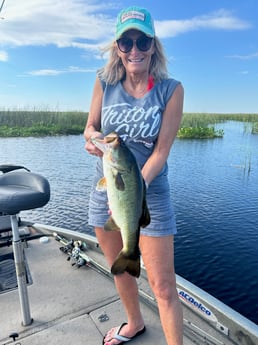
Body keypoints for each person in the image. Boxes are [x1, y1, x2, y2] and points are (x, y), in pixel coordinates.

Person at [84, 6, 184, 345]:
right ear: (117, 46)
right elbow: (90, 128)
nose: (135, 50)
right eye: (126, 42)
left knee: (163, 286)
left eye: (142, 41)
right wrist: (93, 141)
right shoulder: (104, 82)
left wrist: (132, 193)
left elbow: (161, 153)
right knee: (121, 267)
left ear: (153, 45)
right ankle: (134, 322)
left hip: (146, 191)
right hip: (108, 188)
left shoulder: (171, 90)